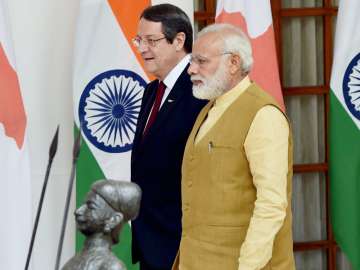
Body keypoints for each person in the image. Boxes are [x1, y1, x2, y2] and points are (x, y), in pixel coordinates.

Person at [173, 23, 296, 270]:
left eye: (201, 61)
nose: (191, 70)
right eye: (192, 61)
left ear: (234, 63)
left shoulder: (263, 115)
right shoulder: (210, 108)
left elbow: (271, 205)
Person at [130, 4, 207, 270]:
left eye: (152, 40)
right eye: (139, 40)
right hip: (150, 241)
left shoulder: (200, 90)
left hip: (182, 246)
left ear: (179, 41)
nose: (142, 48)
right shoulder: (152, 91)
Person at [62, 179, 141, 270]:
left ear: (114, 219)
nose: (78, 211)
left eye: (90, 206)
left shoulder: (112, 267)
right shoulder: (75, 260)